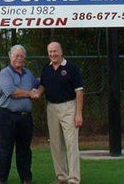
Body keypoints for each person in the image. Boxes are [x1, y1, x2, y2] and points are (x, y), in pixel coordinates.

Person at [35, 41, 84, 184]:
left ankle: (74, 178)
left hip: (69, 107)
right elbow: (42, 86)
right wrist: (37, 93)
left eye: (55, 51)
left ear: (61, 51)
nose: (52, 54)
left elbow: (79, 91)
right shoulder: (46, 68)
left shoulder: (72, 68)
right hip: (52, 108)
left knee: (71, 143)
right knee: (55, 144)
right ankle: (61, 176)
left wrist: (78, 113)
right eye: (50, 52)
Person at [0, 44, 39, 184]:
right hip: (7, 116)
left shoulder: (28, 73)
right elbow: (12, 92)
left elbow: (36, 85)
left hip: (25, 117)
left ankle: (26, 178)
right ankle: (1, 179)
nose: (19, 59)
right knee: (5, 149)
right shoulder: (5, 73)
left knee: (25, 150)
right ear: (10, 57)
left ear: (24, 58)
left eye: (21, 56)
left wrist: (45, 78)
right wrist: (29, 93)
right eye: (16, 56)